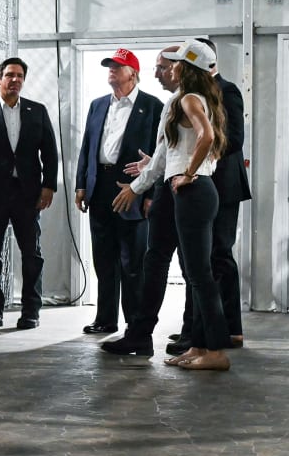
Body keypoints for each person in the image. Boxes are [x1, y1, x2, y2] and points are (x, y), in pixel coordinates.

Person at [105, 39, 231, 370]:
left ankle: (216, 351)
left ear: (188, 68)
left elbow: (207, 137)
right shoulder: (191, 98)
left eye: (175, 63)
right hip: (186, 190)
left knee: (200, 274)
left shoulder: (189, 99)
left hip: (191, 191)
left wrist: (188, 173)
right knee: (191, 271)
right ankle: (199, 346)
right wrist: (161, 174)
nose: (169, 68)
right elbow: (169, 152)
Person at [167, 38, 251, 354]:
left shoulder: (226, 90)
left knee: (217, 256)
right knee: (198, 261)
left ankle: (229, 329)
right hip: (202, 183)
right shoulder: (189, 95)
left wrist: (197, 164)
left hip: (222, 185)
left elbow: (234, 138)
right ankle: (195, 330)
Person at [0, 57, 58, 330]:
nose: (15, 80)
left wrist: (49, 186)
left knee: (32, 255)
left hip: (28, 195)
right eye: (9, 75)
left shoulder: (37, 111)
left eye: (19, 76)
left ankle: (31, 311)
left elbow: (50, 152)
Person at [75, 48, 164, 334]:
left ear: (133, 74)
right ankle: (105, 319)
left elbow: (160, 154)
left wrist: (150, 194)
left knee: (133, 260)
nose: (111, 70)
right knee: (104, 258)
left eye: (118, 66)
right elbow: (87, 146)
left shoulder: (153, 106)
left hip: (133, 187)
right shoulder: (98, 105)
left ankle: (135, 323)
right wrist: (81, 185)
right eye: (109, 66)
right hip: (100, 185)